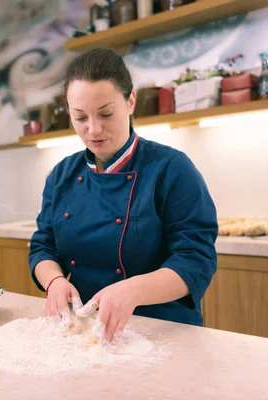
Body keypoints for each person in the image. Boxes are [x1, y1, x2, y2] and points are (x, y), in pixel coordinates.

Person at [28, 48, 218, 344]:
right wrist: (53, 281)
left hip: (164, 331)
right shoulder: (61, 175)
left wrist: (132, 290)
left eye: (106, 113)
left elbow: (196, 259)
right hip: (88, 332)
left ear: (130, 102)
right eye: (80, 117)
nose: (93, 130)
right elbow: (43, 246)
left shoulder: (170, 168)